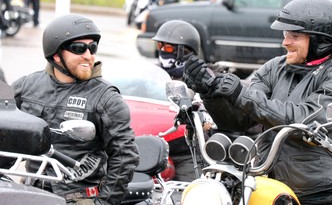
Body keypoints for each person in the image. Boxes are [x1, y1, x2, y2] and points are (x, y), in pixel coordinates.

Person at [183, 0, 332, 205]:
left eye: (295, 36)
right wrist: (210, 92)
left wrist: (240, 93)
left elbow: (305, 120)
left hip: (326, 190)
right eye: (285, 34)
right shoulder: (276, 67)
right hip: (271, 182)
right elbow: (240, 121)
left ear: (321, 41)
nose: (285, 42)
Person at [11, 14, 139, 205]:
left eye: (92, 47)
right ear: (56, 54)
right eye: (79, 48)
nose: (88, 55)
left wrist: (104, 203)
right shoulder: (27, 86)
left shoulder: (106, 97)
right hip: (30, 191)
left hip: (78, 197)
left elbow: (125, 156)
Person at [152, 20, 215, 181]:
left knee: (192, 189)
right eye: (160, 46)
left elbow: (210, 106)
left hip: (185, 148)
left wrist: (201, 112)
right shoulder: (154, 72)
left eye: (168, 48)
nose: (162, 52)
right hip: (155, 140)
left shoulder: (202, 77)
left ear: (184, 51)